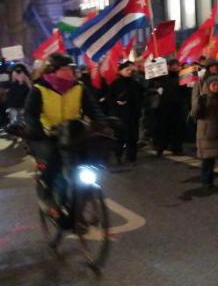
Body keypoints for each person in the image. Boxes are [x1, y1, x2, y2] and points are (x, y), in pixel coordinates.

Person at [24, 53, 108, 215]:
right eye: (65, 69)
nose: (70, 72)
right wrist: (35, 129)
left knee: (86, 161)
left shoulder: (79, 87)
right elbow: (30, 114)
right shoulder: (39, 89)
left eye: (71, 68)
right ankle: (46, 192)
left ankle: (79, 198)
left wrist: (103, 123)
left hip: (73, 133)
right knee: (53, 160)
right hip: (48, 135)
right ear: (53, 70)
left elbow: (92, 108)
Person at [107, 61, 144, 163]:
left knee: (133, 136)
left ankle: (131, 157)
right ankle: (118, 156)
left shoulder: (135, 83)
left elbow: (141, 95)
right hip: (120, 115)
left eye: (130, 70)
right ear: (120, 71)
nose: (129, 71)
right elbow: (109, 99)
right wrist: (116, 102)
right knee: (120, 136)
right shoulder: (115, 83)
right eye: (127, 70)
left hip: (133, 114)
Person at [151, 59, 187, 156]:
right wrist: (157, 89)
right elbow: (152, 86)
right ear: (168, 66)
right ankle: (160, 148)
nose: (174, 67)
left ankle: (177, 149)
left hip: (178, 107)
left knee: (177, 129)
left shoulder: (182, 77)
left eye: (176, 65)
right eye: (172, 65)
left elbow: (185, 92)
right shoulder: (162, 77)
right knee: (163, 129)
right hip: (164, 107)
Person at [3, 64, 31, 129]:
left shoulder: (27, 83)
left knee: (23, 124)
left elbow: (32, 92)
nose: (19, 73)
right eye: (16, 71)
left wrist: (26, 81)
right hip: (12, 106)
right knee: (14, 123)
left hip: (24, 106)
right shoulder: (8, 83)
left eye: (21, 71)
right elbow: (4, 91)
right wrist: (13, 79)